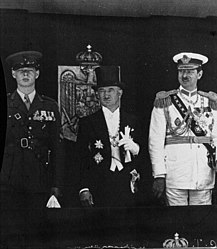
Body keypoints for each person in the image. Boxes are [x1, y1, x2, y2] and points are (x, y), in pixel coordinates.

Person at [149, 52, 217, 206]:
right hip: (175, 173)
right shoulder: (165, 101)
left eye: (190, 71)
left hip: (203, 172)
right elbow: (155, 142)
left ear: (200, 74)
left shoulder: (209, 101)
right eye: (181, 71)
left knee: (202, 222)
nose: (185, 75)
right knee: (177, 222)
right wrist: (159, 174)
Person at [1, 50, 64, 208]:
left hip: (39, 178)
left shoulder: (50, 106)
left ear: (37, 74)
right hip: (8, 179)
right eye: (21, 71)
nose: (25, 74)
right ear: (13, 74)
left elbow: (57, 147)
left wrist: (55, 185)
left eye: (29, 71)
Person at [77, 65, 141, 207]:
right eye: (102, 91)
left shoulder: (133, 120)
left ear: (120, 93)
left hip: (127, 182)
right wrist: (84, 188)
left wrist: (136, 149)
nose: (106, 95)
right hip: (99, 183)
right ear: (97, 94)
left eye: (111, 90)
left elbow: (145, 154)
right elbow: (80, 158)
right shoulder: (87, 122)